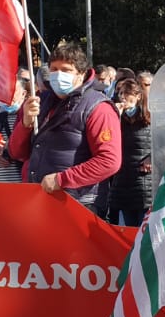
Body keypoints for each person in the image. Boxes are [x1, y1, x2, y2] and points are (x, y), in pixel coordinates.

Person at [8, 43, 121, 210]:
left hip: (78, 204)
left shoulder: (98, 107)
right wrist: (25, 124)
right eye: (54, 69)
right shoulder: (40, 101)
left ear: (81, 74)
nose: (58, 74)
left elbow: (109, 161)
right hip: (38, 198)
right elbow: (16, 153)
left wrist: (62, 179)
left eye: (66, 70)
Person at [102, 78, 153, 225]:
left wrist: (151, 158)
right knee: (128, 227)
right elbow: (107, 139)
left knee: (143, 227)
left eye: (128, 93)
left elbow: (162, 144)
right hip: (122, 180)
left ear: (138, 96)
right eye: (121, 93)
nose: (123, 97)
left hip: (143, 181)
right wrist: (114, 117)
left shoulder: (149, 118)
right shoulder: (117, 118)